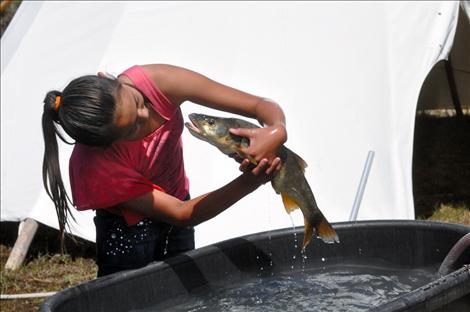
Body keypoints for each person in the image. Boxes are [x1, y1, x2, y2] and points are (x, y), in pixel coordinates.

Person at [42, 64, 287, 277]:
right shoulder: (95, 166)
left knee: (183, 293)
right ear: (105, 144)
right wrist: (249, 182)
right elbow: (183, 214)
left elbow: (258, 105)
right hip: (127, 231)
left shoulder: (157, 82)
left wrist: (276, 130)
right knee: (129, 298)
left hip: (178, 197)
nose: (144, 114)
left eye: (138, 102)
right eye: (133, 127)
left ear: (108, 79)